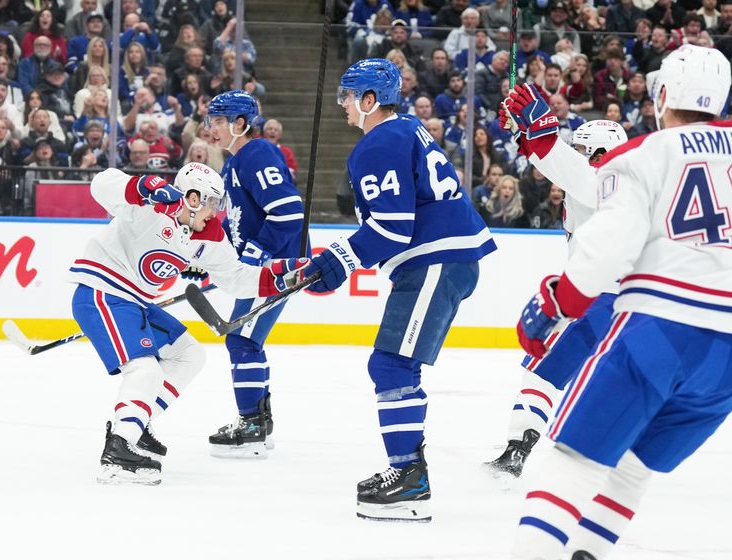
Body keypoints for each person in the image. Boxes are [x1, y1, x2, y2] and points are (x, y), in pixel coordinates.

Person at [508, 45, 732, 560]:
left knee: (572, 462)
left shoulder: (644, 154)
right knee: (633, 468)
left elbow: (608, 246)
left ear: (662, 94)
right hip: (724, 366)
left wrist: (555, 303)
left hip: (660, 331)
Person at [294, 59, 496, 522]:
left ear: (370, 101)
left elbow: (391, 226)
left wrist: (337, 260)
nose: (343, 104)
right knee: (396, 366)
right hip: (443, 257)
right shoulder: (407, 129)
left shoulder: (379, 141)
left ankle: (408, 477)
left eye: (349, 95)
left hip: (435, 257)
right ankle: (409, 470)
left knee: (390, 364)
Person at [66, 162, 309, 484]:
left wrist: (285, 273)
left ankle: (136, 424)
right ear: (193, 197)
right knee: (145, 370)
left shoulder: (207, 236)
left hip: (135, 303)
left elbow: (236, 279)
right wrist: (144, 186)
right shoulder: (148, 209)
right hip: (103, 293)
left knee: (190, 354)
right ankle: (119, 449)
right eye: (212, 203)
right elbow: (101, 183)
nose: (216, 213)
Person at [487, 97, 627, 479]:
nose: (578, 155)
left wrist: (539, 130)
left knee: (541, 371)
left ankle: (518, 450)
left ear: (600, 153)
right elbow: (557, 162)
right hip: (630, 302)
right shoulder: (618, 183)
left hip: (599, 299)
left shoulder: (600, 180)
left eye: (583, 149)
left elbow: (562, 161)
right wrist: (523, 134)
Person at [204, 90, 306, 459]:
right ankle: (256, 423)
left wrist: (256, 254)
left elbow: (289, 212)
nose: (210, 129)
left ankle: (253, 426)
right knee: (246, 341)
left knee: (241, 342)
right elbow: (239, 227)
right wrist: (212, 265)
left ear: (240, 124)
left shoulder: (257, 153)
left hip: (272, 270)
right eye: (210, 121)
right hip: (261, 269)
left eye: (217, 121)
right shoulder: (234, 163)